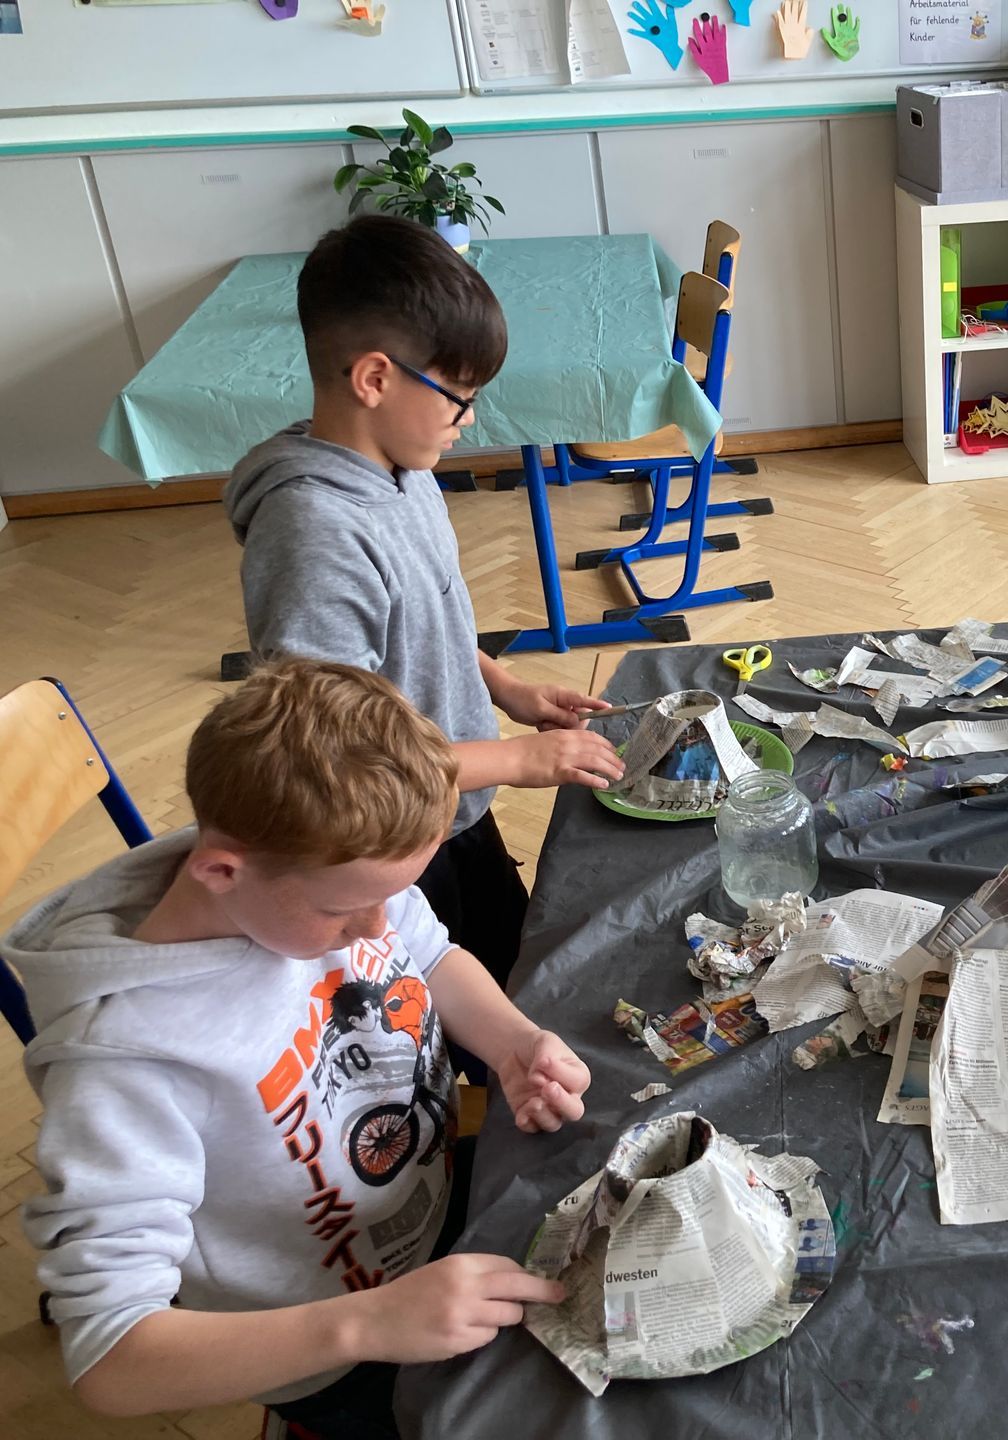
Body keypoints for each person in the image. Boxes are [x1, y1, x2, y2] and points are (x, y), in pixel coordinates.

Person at [4, 660, 593, 1435]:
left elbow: (430, 954)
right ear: (221, 870)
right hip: (328, 1342)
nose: (377, 927)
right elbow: (110, 1359)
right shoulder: (124, 1065)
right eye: (349, 911)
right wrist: (367, 1324)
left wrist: (512, 1039)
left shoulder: (329, 865)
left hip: (432, 1203)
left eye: (392, 895)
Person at [224, 214, 623, 989]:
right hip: (387, 854)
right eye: (457, 396)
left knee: (517, 986)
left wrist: (501, 686)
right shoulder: (315, 534)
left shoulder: (403, 468)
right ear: (375, 379)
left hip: (452, 804)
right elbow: (334, 758)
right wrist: (516, 760)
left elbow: (421, 625)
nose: (469, 419)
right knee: (444, 1026)